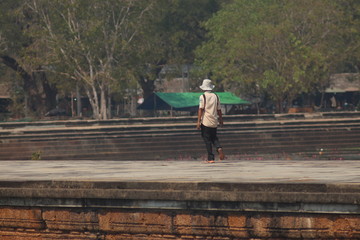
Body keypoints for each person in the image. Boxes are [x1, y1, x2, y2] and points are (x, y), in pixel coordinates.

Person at [196, 79, 225, 163]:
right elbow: (219, 110)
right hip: (214, 121)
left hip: (205, 121)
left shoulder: (203, 96)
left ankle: (210, 158)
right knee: (214, 137)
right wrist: (221, 120)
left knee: (207, 139)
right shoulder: (216, 96)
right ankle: (219, 147)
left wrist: (198, 121)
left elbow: (200, 109)